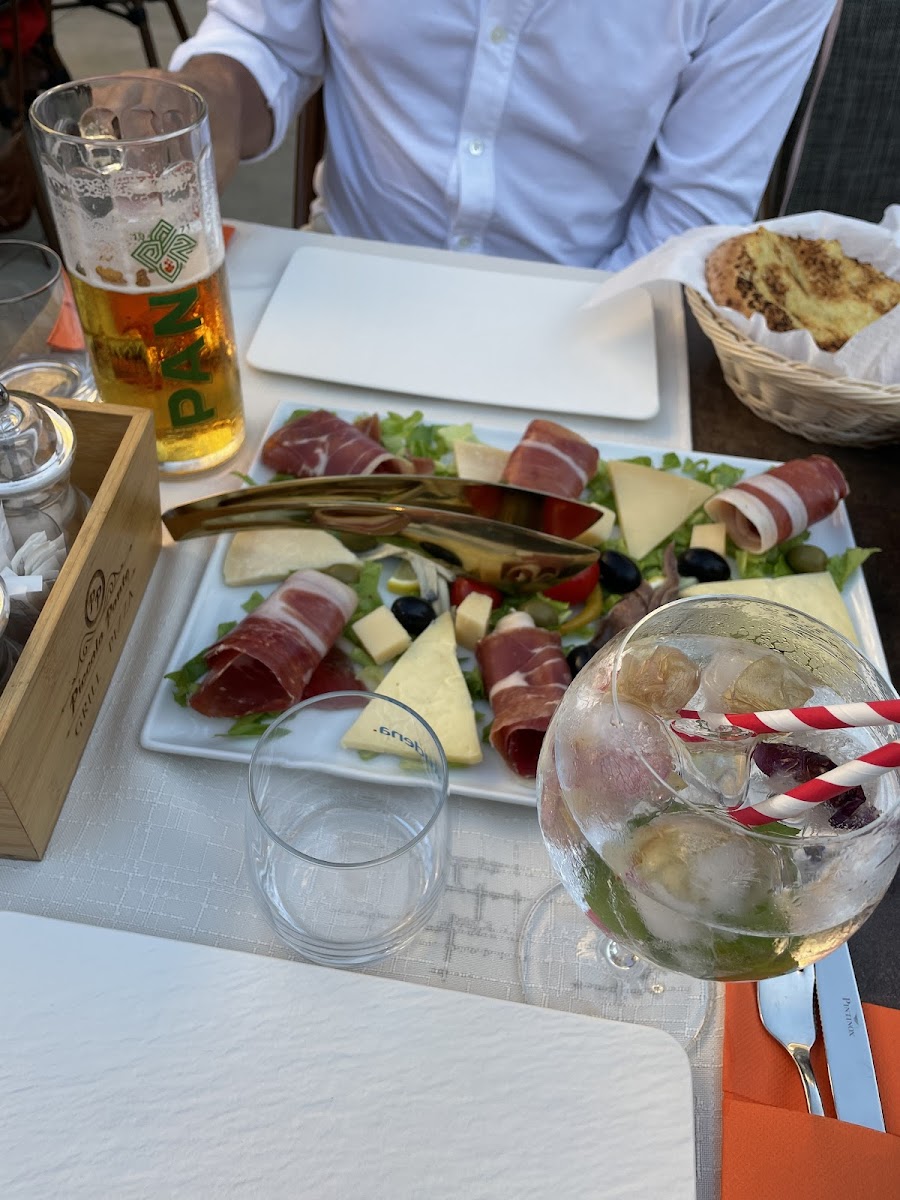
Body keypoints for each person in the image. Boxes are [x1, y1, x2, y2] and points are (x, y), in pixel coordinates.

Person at [160, 0, 836, 269]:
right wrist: (216, 87)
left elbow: (692, 220)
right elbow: (265, 41)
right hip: (345, 272)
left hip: (597, 308)